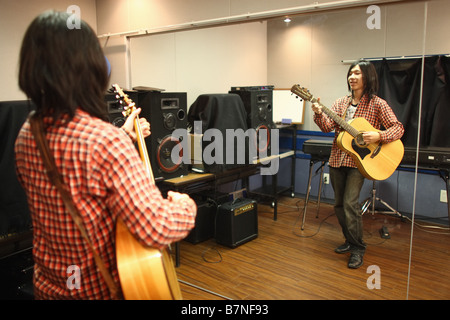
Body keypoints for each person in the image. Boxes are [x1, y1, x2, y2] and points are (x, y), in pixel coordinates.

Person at [14, 11, 196, 299]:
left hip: (49, 288)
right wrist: (184, 204)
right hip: (96, 291)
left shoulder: (28, 133)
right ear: (91, 68)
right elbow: (157, 228)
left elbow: (71, 167)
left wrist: (124, 135)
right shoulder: (104, 143)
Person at [311, 60, 404, 269]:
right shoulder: (340, 103)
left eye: (357, 73)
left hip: (359, 163)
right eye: (350, 73)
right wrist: (318, 112)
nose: (352, 77)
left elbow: (398, 128)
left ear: (367, 77)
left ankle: (358, 248)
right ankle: (349, 240)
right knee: (338, 205)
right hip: (337, 158)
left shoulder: (377, 104)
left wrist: (378, 135)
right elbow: (327, 127)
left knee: (350, 205)